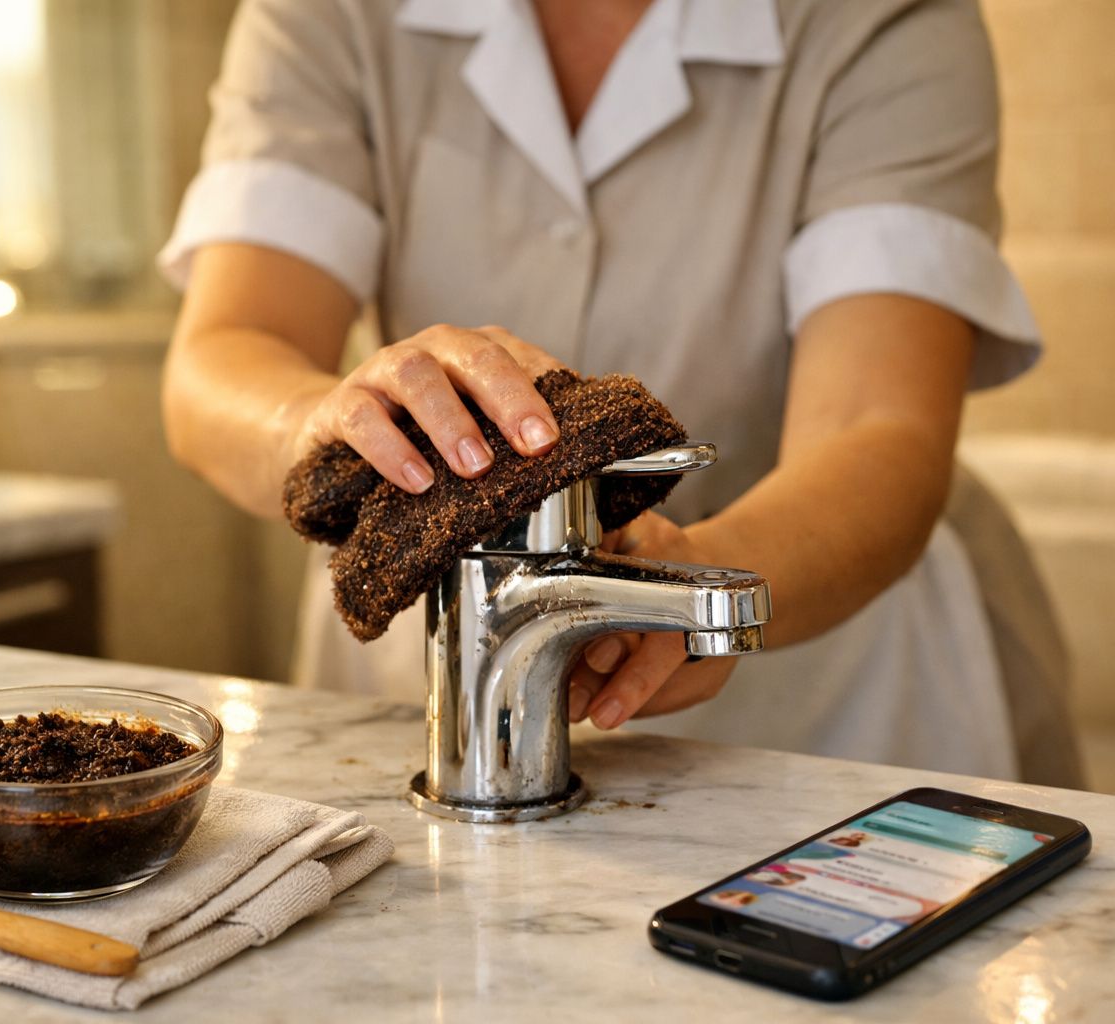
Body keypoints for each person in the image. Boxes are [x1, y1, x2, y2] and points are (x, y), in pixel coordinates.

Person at [158, 0, 1080, 783]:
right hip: (437, 663)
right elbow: (230, 353)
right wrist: (317, 421)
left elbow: (876, 424)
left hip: (828, 666)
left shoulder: (883, 18)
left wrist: (684, 591)